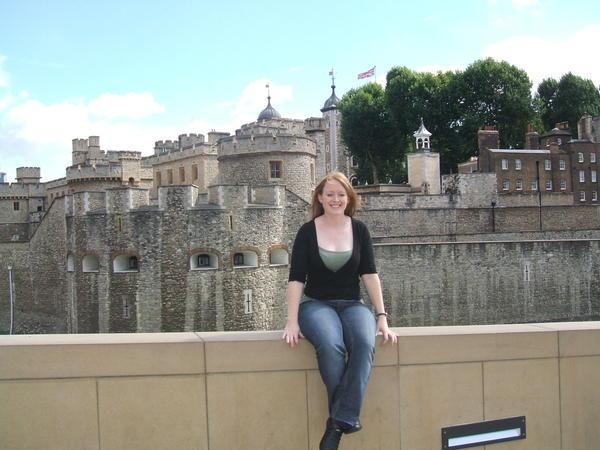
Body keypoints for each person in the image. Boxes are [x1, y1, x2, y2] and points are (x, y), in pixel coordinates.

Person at [282, 171, 397, 450]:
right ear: (320, 198)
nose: (336, 199)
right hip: (316, 305)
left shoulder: (359, 230)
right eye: (330, 194)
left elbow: (369, 274)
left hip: (352, 304)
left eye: (341, 194)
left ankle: (337, 422)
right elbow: (296, 278)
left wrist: (381, 317)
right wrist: (291, 321)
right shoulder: (307, 232)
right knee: (331, 345)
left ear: (349, 199)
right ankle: (345, 416)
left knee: (364, 342)